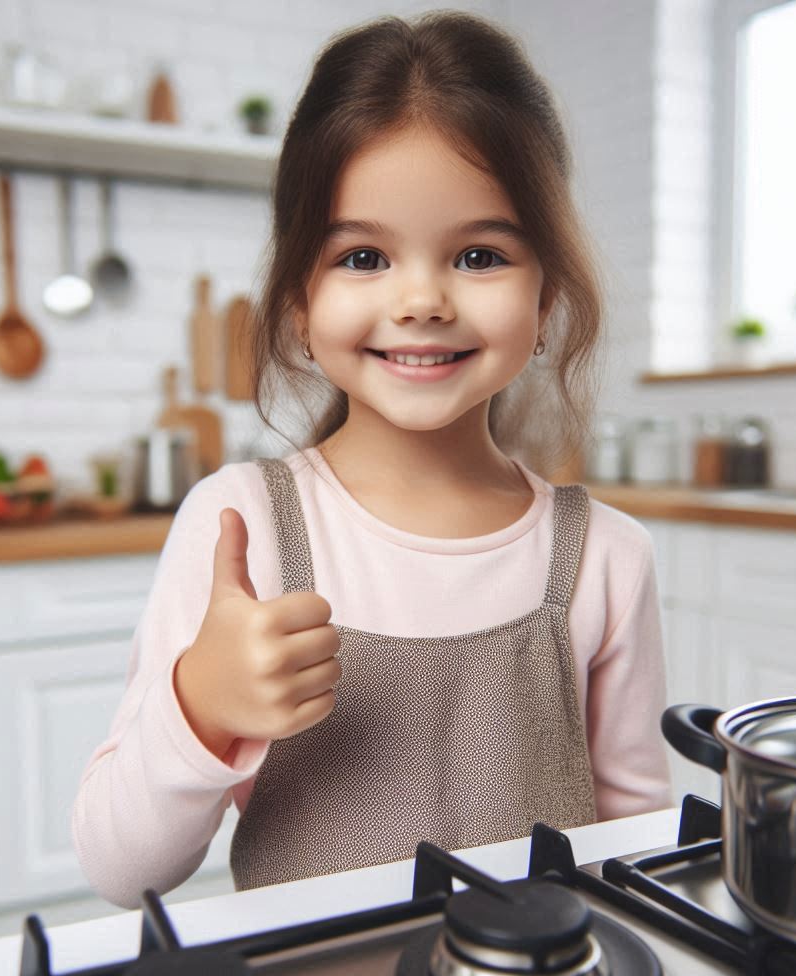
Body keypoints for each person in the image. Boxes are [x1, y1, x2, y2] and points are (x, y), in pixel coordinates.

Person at [73, 9, 672, 908]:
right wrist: (202, 703)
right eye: (363, 255)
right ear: (300, 306)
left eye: (479, 254)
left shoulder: (608, 559)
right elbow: (119, 873)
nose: (422, 299)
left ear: (545, 298)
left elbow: (634, 851)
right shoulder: (243, 530)